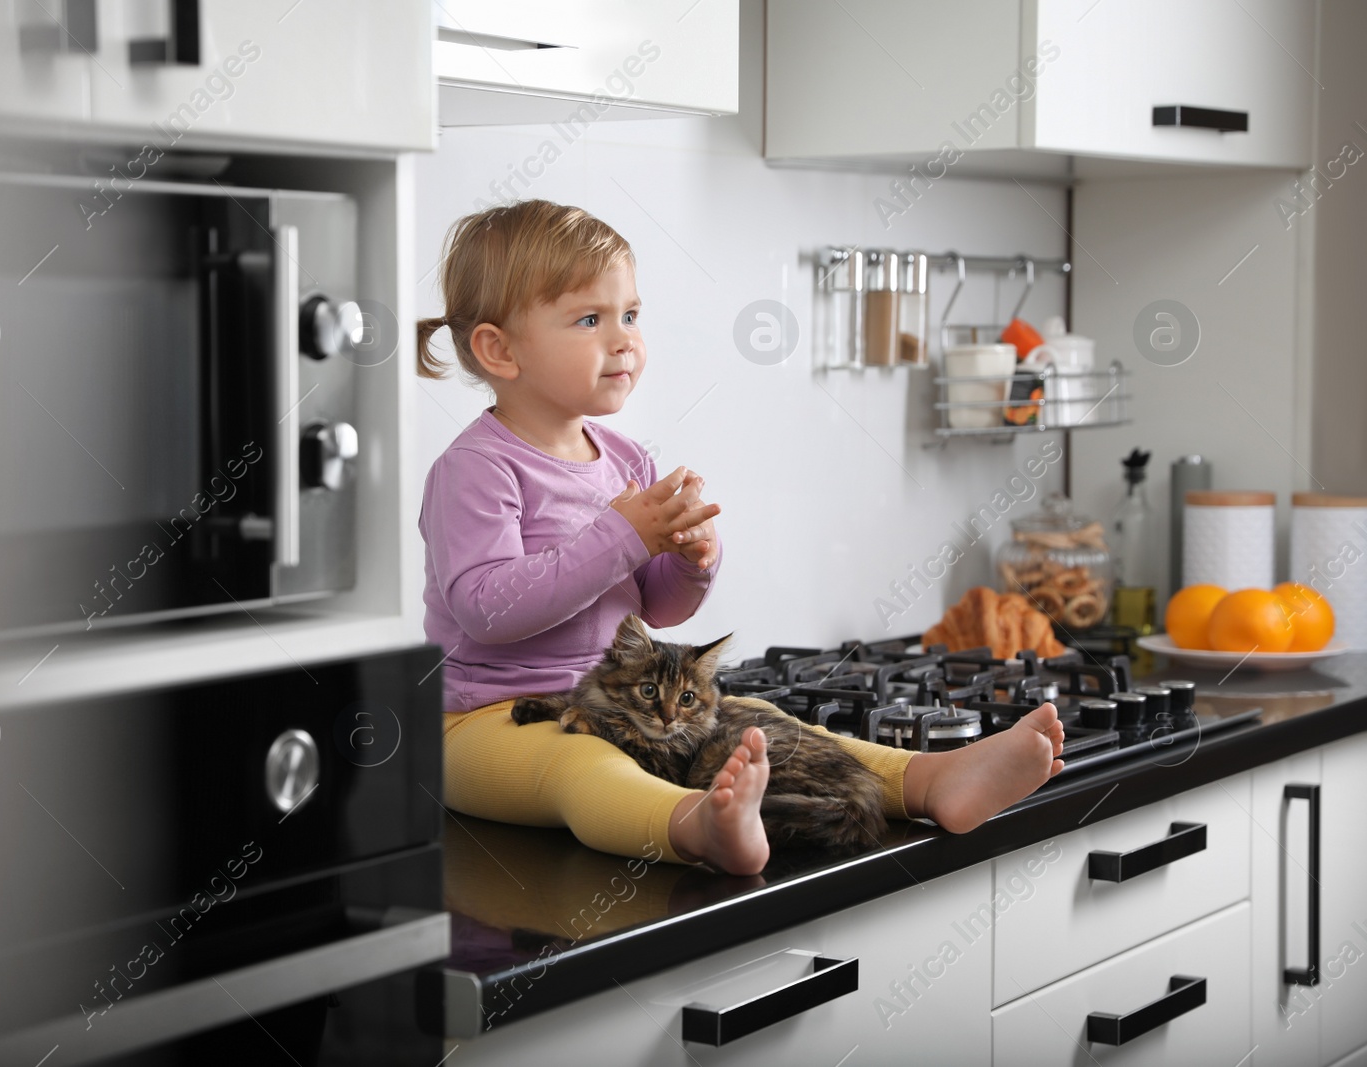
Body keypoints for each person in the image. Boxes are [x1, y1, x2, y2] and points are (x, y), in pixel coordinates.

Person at [417, 200, 1064, 876]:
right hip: (492, 722)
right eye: (590, 319)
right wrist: (626, 534)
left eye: (631, 315)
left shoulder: (626, 459)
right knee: (581, 767)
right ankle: (699, 827)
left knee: (758, 718)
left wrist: (693, 560)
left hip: (619, 707)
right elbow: (486, 611)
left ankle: (928, 779)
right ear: (499, 349)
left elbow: (657, 610)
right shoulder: (475, 469)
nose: (625, 340)